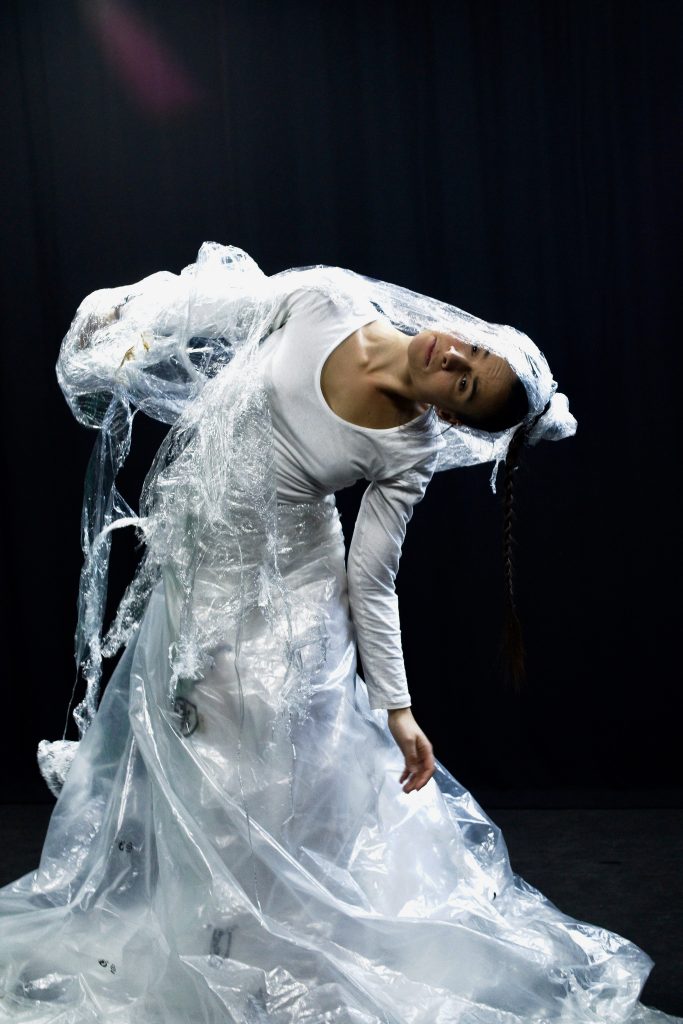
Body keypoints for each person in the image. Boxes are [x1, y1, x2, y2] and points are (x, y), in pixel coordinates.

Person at [0, 242, 677, 1023]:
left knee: (255, 783)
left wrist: (397, 707)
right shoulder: (326, 300)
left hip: (291, 602)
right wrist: (135, 317)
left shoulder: (410, 446)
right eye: (472, 349)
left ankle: (245, 958)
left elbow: (372, 579)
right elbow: (218, 307)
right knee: (191, 765)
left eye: (463, 382)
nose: (452, 355)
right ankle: (207, 943)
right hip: (201, 573)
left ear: (450, 414)